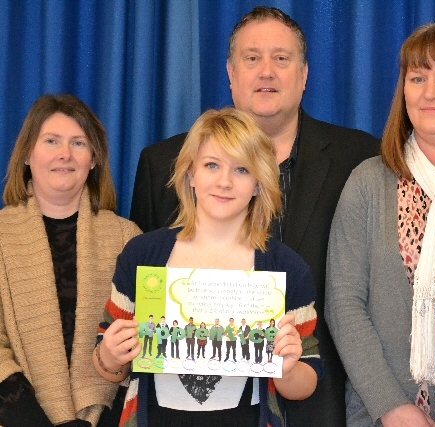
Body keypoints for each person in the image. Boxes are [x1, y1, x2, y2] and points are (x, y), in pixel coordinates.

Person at [129, 7, 379, 426]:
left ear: (304, 75)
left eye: (281, 59)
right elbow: (143, 294)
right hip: (187, 409)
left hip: (320, 403)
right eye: (252, 58)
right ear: (230, 72)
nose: (267, 71)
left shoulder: (360, 160)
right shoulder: (164, 165)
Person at [94, 108, 321, 427]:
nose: (224, 182)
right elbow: (106, 364)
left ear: (259, 183)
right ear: (190, 174)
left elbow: (305, 383)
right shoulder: (143, 255)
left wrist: (286, 367)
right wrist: (111, 355)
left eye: (242, 170)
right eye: (211, 165)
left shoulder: (285, 269)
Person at [326, 23, 435, 427]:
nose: (429, 92)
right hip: (376, 416)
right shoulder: (368, 182)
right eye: (417, 78)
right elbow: (344, 304)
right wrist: (393, 408)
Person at [0, 94, 140, 427]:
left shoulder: (129, 239)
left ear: (93, 159)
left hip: (108, 418)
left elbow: (141, 345)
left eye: (78, 143)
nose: (65, 154)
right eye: (51, 141)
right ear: (27, 156)